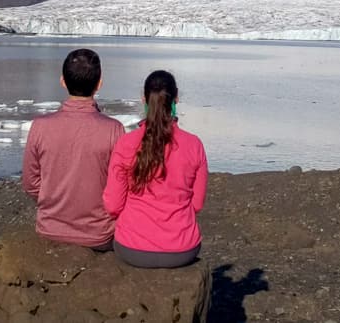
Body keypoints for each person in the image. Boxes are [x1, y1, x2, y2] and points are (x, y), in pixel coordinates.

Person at [103, 70, 208, 268]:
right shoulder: (194, 145)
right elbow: (197, 204)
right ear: (176, 98)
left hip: (132, 246)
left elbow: (113, 205)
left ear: (144, 98)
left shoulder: (126, 144)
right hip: (182, 247)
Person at [22, 48, 125, 249]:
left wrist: (53, 202)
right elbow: (120, 186)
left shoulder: (40, 127)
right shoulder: (113, 129)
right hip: (99, 235)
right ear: (99, 84)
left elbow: (30, 183)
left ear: (63, 81)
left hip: (50, 229)